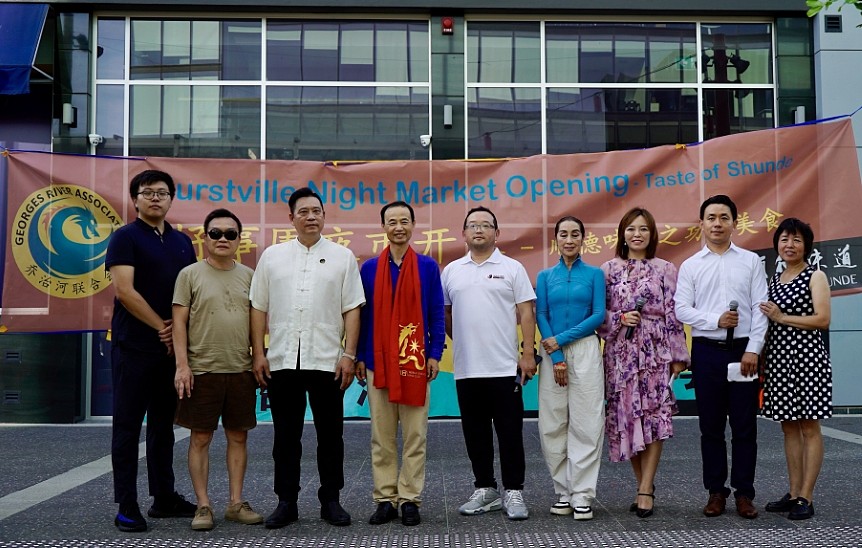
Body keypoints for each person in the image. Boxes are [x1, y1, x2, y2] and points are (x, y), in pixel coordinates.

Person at [249, 187, 365, 528]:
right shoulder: (272, 256)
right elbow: (258, 306)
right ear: (291, 218)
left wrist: (349, 354)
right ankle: (286, 501)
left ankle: (331, 499)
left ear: (324, 217)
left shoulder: (343, 257)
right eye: (304, 212)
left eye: (317, 211)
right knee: (285, 437)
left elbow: (352, 309)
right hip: (283, 360)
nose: (311, 216)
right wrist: (259, 352)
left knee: (331, 436)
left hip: (328, 361)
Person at [106, 169, 197, 532]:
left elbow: (190, 291)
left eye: (162, 192)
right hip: (134, 347)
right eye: (147, 192)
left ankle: (164, 497)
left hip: (170, 352)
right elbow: (124, 292)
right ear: (135, 200)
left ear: (171, 198)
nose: (155, 197)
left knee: (163, 426)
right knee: (127, 427)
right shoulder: (124, 238)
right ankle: (126, 504)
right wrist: (162, 326)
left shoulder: (182, 241)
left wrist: (180, 334)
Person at [674, 194, 768, 520]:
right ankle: (716, 491)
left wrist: (754, 349)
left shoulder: (751, 261)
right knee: (711, 428)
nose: (717, 223)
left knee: (745, 427)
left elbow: (760, 309)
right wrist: (716, 320)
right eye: (711, 217)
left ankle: (744, 493)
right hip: (708, 353)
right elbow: (681, 308)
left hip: (744, 352)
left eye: (723, 217)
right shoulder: (690, 265)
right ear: (701, 223)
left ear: (734, 222)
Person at [441, 206, 537, 521]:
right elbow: (447, 314)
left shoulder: (512, 268)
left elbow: (526, 312)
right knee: (475, 433)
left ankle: (514, 491)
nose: (479, 229)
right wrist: (468, 343)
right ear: (464, 233)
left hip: (505, 366)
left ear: (497, 232)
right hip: (468, 368)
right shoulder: (452, 270)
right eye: (473, 225)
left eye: (486, 225)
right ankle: (485, 489)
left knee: (510, 432)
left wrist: (527, 352)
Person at [355, 201, 446, 527]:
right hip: (378, 363)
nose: (398, 227)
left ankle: (409, 499)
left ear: (413, 225)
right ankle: (385, 499)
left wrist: (435, 353)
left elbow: (436, 312)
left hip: (414, 362)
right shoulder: (367, 269)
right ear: (383, 227)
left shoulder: (427, 267)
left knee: (414, 436)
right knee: (381, 436)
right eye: (392, 221)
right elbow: (362, 317)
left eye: (404, 221)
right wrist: (360, 357)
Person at [172, 208, 262, 531]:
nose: (223, 239)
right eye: (215, 233)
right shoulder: (190, 275)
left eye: (230, 234)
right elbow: (178, 323)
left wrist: (258, 358)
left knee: (238, 437)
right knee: (200, 438)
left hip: (240, 370)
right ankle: (203, 505)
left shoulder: (250, 276)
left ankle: (235, 503)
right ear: (205, 237)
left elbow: (257, 324)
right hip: (202, 370)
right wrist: (182, 366)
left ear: (239, 239)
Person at [597, 208, 689, 518]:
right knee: (627, 419)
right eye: (631, 228)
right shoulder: (607, 270)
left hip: (656, 351)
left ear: (652, 235)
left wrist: (678, 356)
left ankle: (646, 488)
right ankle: (642, 486)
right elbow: (598, 318)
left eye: (644, 229)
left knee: (654, 418)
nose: (637, 234)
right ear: (622, 233)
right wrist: (619, 319)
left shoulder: (666, 269)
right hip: (620, 354)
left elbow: (675, 315)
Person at [759, 218, 832, 521]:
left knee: (809, 427)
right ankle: (792, 493)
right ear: (777, 244)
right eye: (785, 239)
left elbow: (822, 319)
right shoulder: (774, 280)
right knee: (788, 427)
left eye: (797, 240)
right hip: (779, 361)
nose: (790, 245)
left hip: (808, 361)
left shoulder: (815, 276)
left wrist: (783, 317)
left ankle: (807, 496)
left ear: (807, 246)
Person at [536, 215, 606, 521]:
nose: (569, 239)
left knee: (587, 422)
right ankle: (562, 492)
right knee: (553, 423)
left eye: (575, 234)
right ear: (556, 239)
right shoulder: (544, 276)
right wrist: (556, 356)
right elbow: (541, 312)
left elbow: (598, 314)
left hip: (585, 349)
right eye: (563, 234)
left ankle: (582, 495)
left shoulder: (594, 275)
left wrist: (560, 341)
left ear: (582, 239)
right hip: (553, 353)